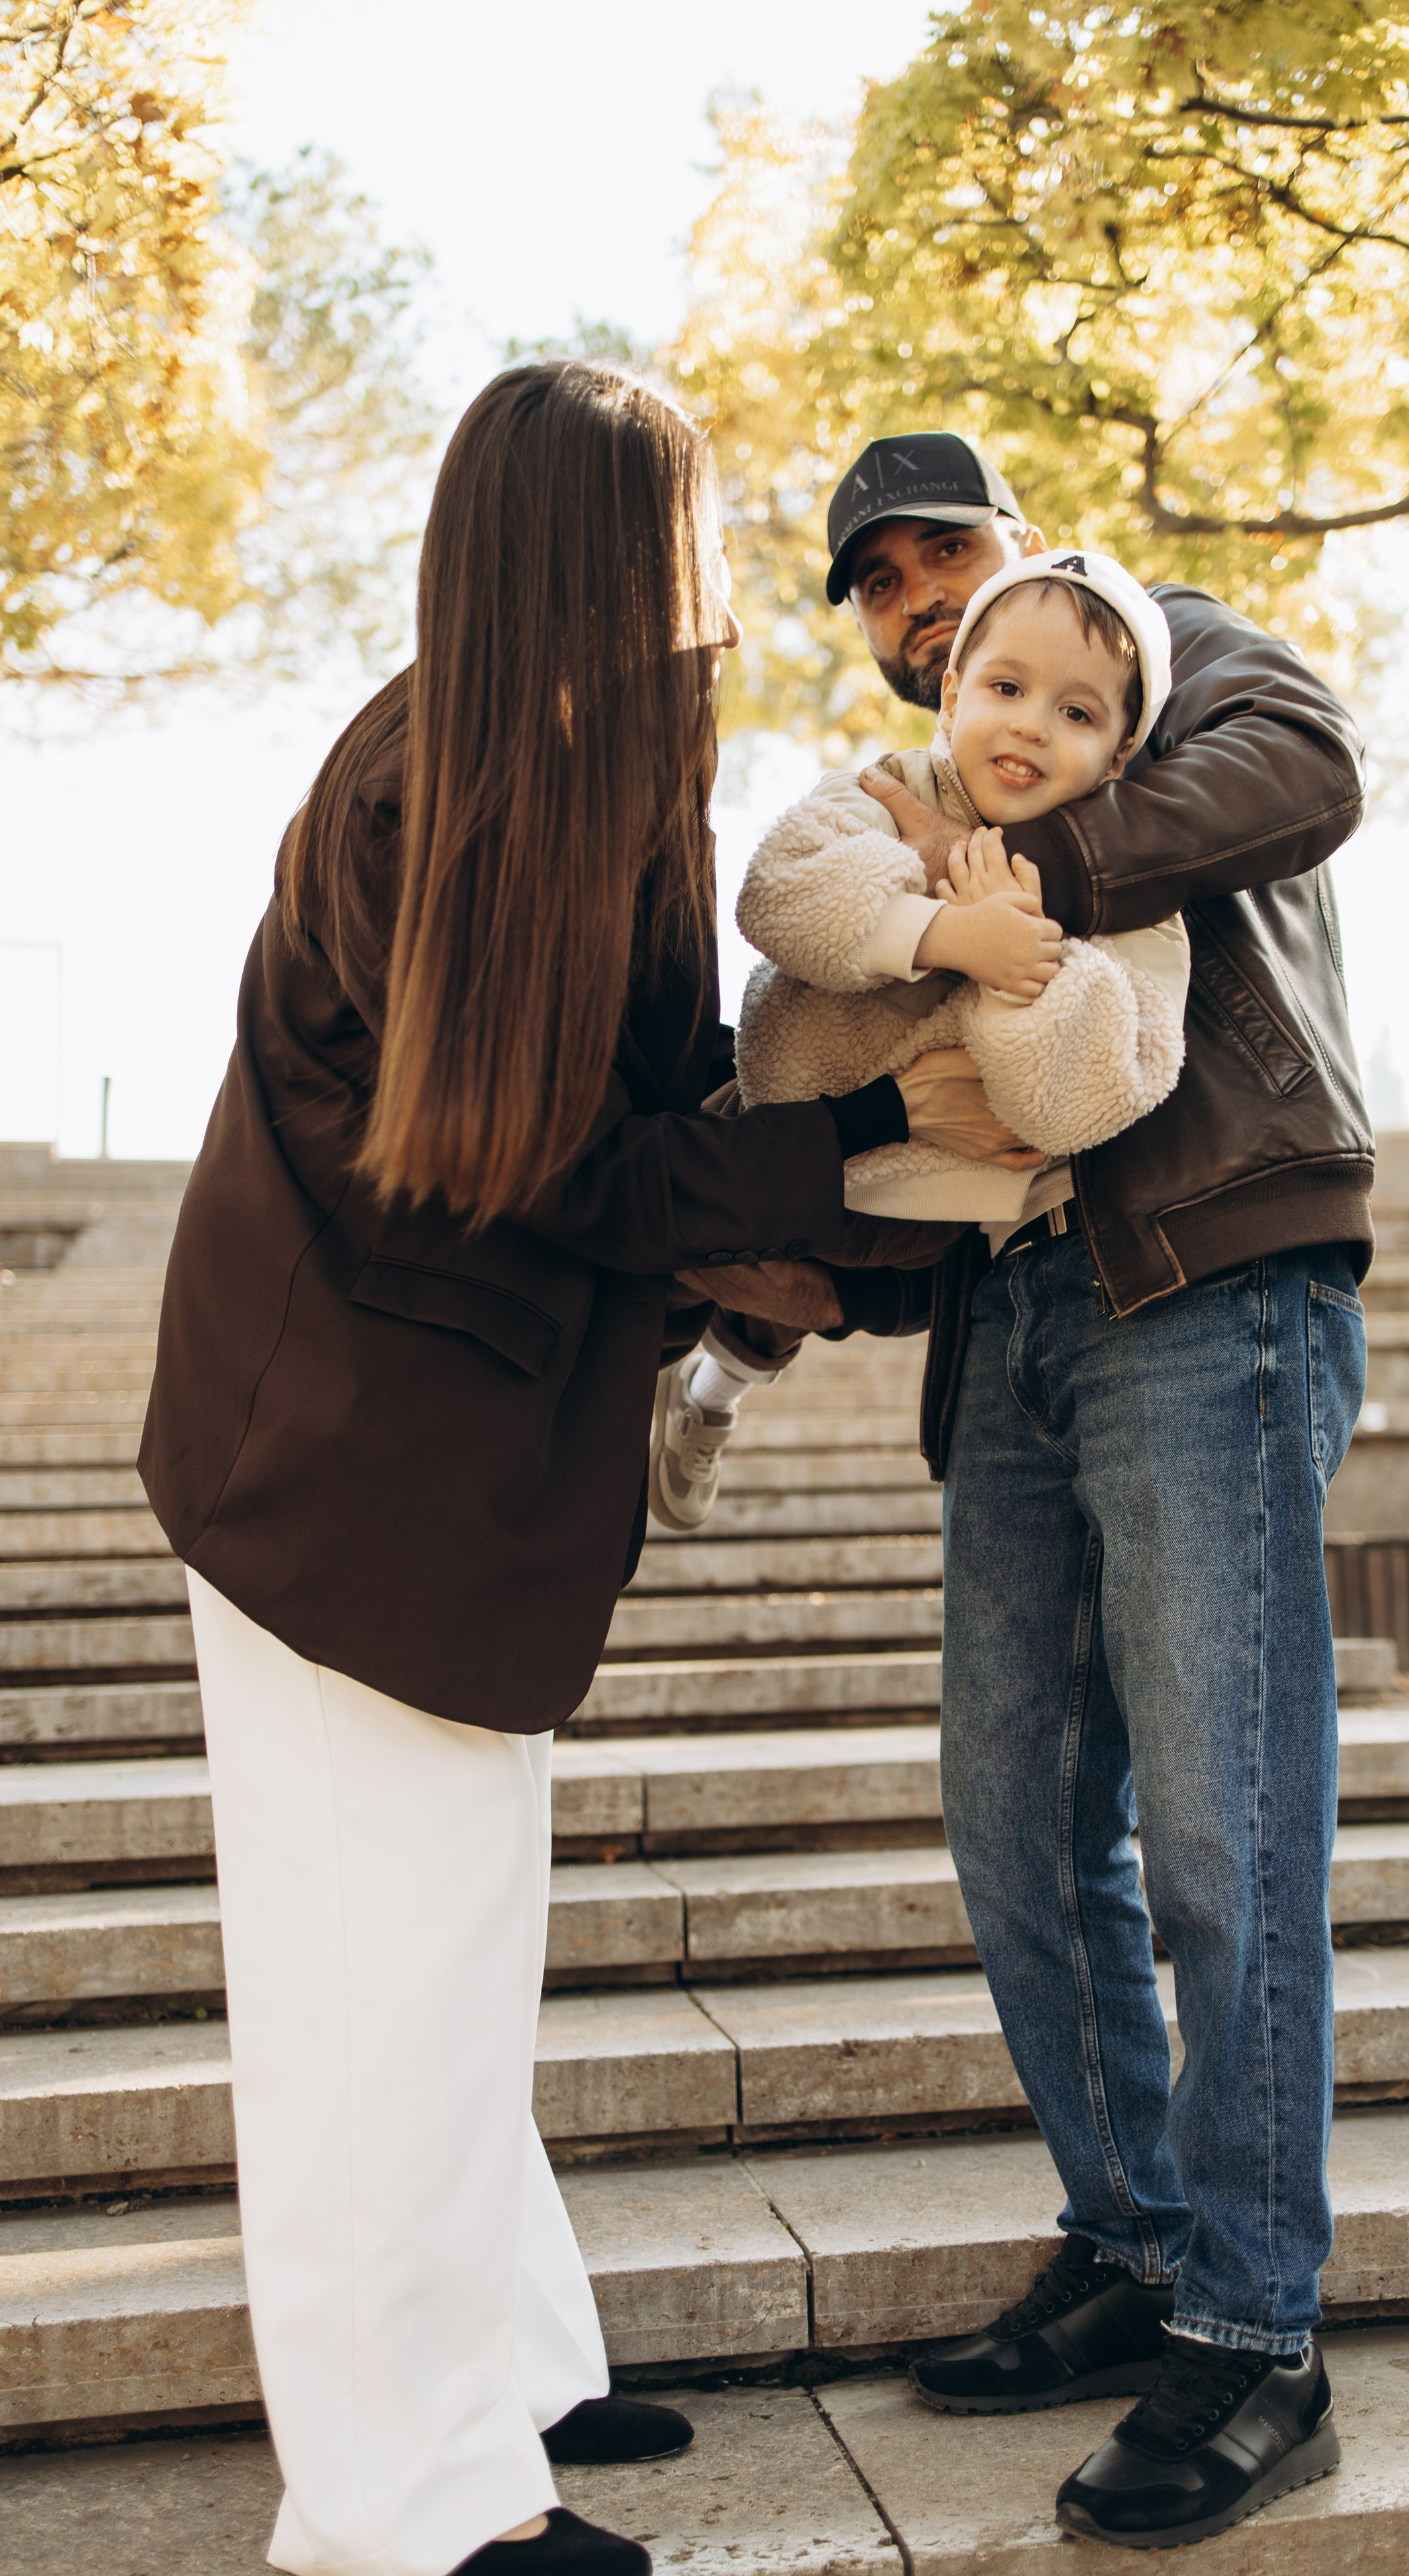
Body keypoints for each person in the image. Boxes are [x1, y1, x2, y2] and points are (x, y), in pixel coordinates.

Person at [138, 374, 1029, 2576]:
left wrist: (812, 1235)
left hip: (413, 1462)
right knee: (374, 2006)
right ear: (627, 550)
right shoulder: (466, 774)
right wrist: (852, 1154)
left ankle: (509, 2374)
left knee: (448, 1959)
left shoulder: (547, 762)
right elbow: (556, 1158)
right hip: (341, 1476)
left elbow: (618, 1149)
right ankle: (407, 2514)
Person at [673, 429, 1373, 2552]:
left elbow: (1312, 772)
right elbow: (898, 1075)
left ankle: (1258, 2335)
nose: (918, 600)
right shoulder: (914, 795)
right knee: (1011, 1818)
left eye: (944, 554)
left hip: (1215, 1281)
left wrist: (1007, 904)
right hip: (1024, 1324)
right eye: (882, 587)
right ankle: (1137, 2239)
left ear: (1027, 553)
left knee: (1223, 1836)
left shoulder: (1175, 666)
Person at [648, 551, 1189, 1529]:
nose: (1030, 723)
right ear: (952, 696)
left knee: (786, 1303)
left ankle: (711, 1398)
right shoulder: (887, 788)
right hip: (784, 1124)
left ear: (1116, 755)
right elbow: (780, 891)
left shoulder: (1123, 898)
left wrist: (1019, 967)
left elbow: (1092, 1087)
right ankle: (671, 1384)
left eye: (1076, 713)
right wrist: (947, 932)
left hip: (926, 1218)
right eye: (1008, 688)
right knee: (676, 1222)